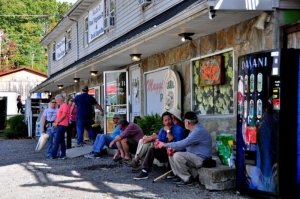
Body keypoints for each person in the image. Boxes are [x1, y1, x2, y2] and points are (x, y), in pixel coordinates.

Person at [157, 111, 212, 186]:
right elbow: (187, 144)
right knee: (171, 153)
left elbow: (184, 143)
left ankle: (187, 179)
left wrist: (166, 144)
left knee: (178, 155)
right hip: (194, 156)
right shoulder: (194, 130)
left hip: (201, 158)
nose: (184, 123)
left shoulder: (198, 131)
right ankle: (179, 175)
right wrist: (173, 149)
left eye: (185, 121)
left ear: (188, 122)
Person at [133, 112, 185, 180]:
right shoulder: (162, 130)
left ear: (172, 119)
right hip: (165, 153)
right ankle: (144, 171)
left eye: (169, 119)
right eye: (165, 120)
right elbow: (159, 143)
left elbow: (175, 145)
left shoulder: (178, 129)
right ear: (163, 122)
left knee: (171, 149)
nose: (168, 122)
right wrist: (157, 146)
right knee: (151, 149)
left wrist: (168, 132)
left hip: (176, 152)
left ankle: (171, 170)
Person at [49, 95, 70, 159]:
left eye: (57, 100)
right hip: (60, 125)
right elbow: (59, 116)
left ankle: (53, 155)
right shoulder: (61, 106)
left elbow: (63, 115)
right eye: (56, 100)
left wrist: (57, 122)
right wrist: (55, 122)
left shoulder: (64, 106)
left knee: (57, 140)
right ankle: (63, 154)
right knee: (62, 140)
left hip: (62, 125)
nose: (56, 102)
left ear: (60, 100)